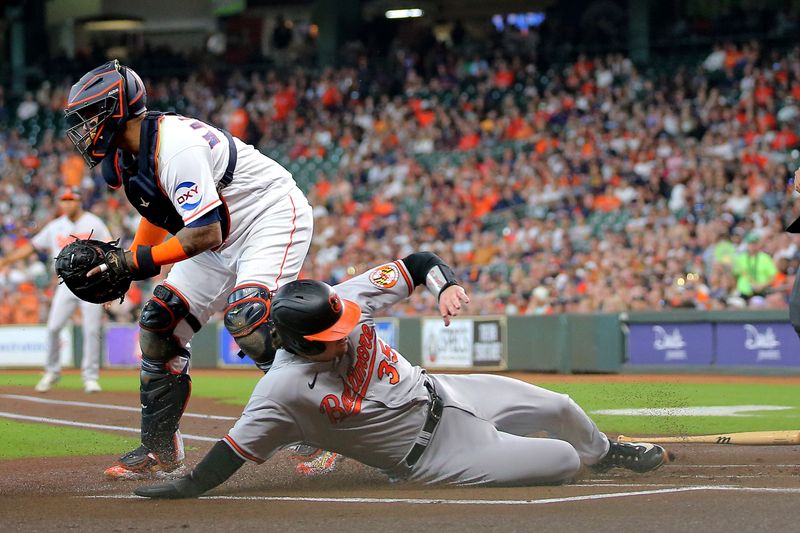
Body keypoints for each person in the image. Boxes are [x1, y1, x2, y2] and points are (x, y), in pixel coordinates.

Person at [134, 252, 670, 498]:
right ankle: (551, 453)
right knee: (559, 459)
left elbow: (417, 263)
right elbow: (229, 452)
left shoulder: (340, 300)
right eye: (331, 337)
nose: (344, 334)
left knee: (560, 407)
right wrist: (181, 487)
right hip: (437, 457)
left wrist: (445, 284)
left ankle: (606, 451)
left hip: (447, 391)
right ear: (297, 344)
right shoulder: (282, 391)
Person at [63, 59, 319, 479]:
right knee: (159, 322)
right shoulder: (129, 155)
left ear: (117, 110)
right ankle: (160, 448)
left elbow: (204, 235)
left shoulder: (175, 146)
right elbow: (160, 214)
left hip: (266, 214)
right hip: (219, 228)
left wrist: (133, 261)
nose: (84, 128)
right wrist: (130, 264)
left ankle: (326, 431)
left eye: (91, 115)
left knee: (250, 319)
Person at [0, 186, 110, 393]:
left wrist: (108, 283)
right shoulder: (55, 226)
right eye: (64, 200)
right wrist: (7, 259)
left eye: (71, 199)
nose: (67, 203)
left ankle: (90, 377)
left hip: (92, 284)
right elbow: (32, 246)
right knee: (53, 327)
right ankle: (52, 371)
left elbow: (110, 251)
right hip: (66, 285)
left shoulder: (94, 222)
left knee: (92, 330)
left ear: (79, 201)